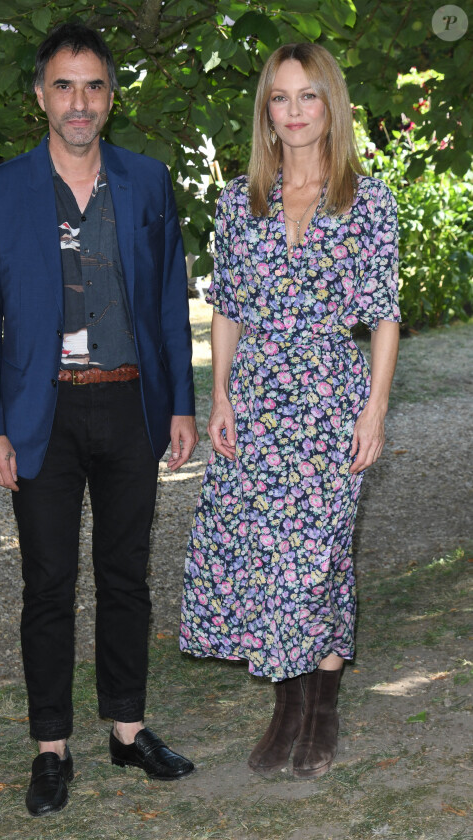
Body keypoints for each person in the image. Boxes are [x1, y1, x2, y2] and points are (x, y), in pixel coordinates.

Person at [0, 22, 198, 817]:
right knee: (49, 584)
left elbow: (170, 302)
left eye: (93, 85)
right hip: (43, 414)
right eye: (64, 85)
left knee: (127, 576)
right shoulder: (1, 191)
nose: (79, 101)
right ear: (40, 94)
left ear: (109, 95)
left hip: (131, 403)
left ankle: (128, 734)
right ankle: (51, 750)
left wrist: (182, 406)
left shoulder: (147, 182)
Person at [180, 42, 400, 780]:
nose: (295, 111)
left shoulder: (366, 200)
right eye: (281, 97)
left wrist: (374, 411)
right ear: (266, 113)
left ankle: (323, 701)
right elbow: (229, 309)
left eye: (308, 96)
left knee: (317, 559)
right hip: (260, 398)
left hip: (334, 400)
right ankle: (288, 705)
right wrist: (218, 395)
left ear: (330, 104)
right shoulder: (240, 199)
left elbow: (384, 315)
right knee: (267, 561)